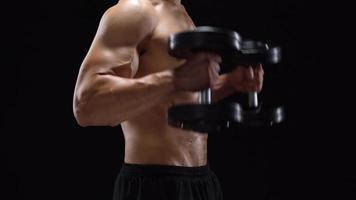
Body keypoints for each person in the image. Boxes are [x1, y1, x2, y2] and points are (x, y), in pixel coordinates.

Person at [73, 0, 264, 199]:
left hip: (202, 183)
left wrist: (231, 83)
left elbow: (176, 98)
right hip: (153, 186)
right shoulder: (134, 11)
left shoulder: (179, 12)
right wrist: (175, 78)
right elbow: (86, 104)